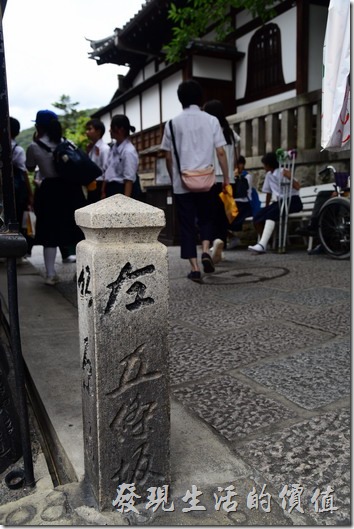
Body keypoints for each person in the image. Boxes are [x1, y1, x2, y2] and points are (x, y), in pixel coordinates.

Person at [160, 80, 229, 282]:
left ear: (180, 99)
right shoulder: (211, 120)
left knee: (187, 225)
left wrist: (174, 179)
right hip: (206, 180)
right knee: (207, 218)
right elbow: (221, 152)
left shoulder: (172, 123)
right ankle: (206, 250)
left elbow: (168, 156)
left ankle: (195, 267)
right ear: (200, 98)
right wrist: (225, 177)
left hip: (183, 183)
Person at [26, 110, 87, 285]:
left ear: (38, 126)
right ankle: (81, 272)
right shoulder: (67, 143)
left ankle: (51, 274)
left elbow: (30, 168)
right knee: (76, 231)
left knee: (49, 232)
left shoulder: (34, 147)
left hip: (50, 190)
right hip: (71, 189)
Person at [203, 99, 240, 263]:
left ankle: (213, 244)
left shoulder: (209, 131)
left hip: (211, 178)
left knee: (210, 214)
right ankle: (221, 246)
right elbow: (236, 151)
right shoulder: (230, 132)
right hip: (228, 179)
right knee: (224, 214)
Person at [248, 151, 302, 254]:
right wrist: (266, 207)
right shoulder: (269, 175)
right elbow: (268, 192)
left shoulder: (283, 171)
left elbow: (297, 186)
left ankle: (262, 244)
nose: (264, 167)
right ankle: (266, 242)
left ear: (269, 165)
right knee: (258, 216)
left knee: (271, 215)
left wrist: (289, 176)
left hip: (292, 201)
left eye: (264, 164)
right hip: (279, 202)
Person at [10, 117, 34, 255]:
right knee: (17, 220)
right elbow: (24, 173)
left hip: (13, 191)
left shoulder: (13, 149)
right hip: (17, 192)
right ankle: (17, 251)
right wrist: (30, 194)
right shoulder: (17, 149)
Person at [101, 114, 138, 199]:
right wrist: (103, 191)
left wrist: (125, 202)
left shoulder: (128, 151)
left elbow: (129, 179)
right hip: (110, 188)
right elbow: (107, 171)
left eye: (112, 127)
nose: (109, 130)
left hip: (121, 189)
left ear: (121, 130)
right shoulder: (113, 148)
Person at [85, 118, 110, 203]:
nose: (87, 132)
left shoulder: (104, 149)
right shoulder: (91, 148)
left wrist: (103, 190)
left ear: (98, 131)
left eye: (89, 129)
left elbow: (107, 171)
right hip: (92, 184)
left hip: (100, 185)